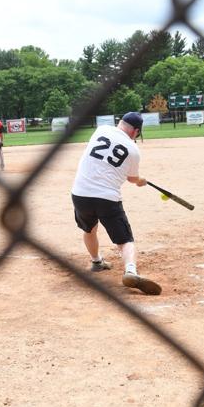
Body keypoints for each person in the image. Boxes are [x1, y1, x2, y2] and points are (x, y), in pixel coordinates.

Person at [71, 112, 161, 296]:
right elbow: (132, 178)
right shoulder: (133, 150)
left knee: (89, 230)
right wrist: (140, 181)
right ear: (135, 131)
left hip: (80, 193)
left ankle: (96, 262)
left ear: (120, 123)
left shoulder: (102, 129)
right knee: (125, 240)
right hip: (107, 198)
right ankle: (130, 271)